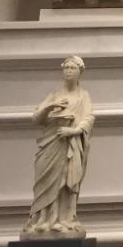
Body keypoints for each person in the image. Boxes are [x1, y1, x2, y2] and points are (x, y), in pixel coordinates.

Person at [23, 56, 94, 237]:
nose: (69, 71)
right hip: (51, 143)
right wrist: (50, 106)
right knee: (45, 182)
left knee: (65, 181)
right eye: (66, 68)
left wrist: (74, 131)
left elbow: (89, 118)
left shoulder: (83, 96)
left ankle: (64, 219)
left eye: (73, 68)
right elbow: (36, 118)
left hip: (70, 144)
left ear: (80, 72)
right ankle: (43, 220)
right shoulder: (54, 95)